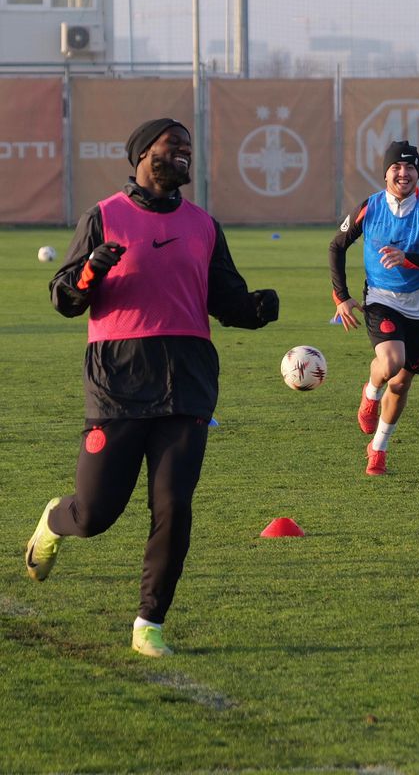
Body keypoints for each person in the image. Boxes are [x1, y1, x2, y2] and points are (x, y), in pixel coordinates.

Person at [25, 118, 279, 656]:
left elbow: (225, 299)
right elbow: (64, 298)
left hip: (188, 381)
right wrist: (90, 271)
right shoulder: (103, 216)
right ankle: (54, 520)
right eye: (172, 145)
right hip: (118, 380)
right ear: (142, 154)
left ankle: (150, 622)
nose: (184, 151)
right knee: (95, 513)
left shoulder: (203, 225)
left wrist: (255, 309)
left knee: (173, 506)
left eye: (188, 146)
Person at [329, 140, 419, 476]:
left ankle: (378, 449)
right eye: (396, 167)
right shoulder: (369, 207)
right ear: (385, 173)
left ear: (418, 172)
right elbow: (337, 246)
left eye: (410, 167)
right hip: (381, 298)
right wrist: (341, 296)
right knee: (391, 361)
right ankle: (371, 393)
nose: (403, 173)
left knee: (400, 384)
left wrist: (409, 259)